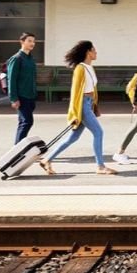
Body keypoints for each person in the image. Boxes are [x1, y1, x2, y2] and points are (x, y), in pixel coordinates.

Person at [40, 40, 116, 175]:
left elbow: (92, 89)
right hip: (82, 105)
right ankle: (100, 166)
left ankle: (47, 159)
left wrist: (94, 105)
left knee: (72, 138)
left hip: (88, 104)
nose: (96, 52)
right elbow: (75, 92)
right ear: (88, 52)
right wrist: (75, 113)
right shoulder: (80, 68)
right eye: (94, 50)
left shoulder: (90, 68)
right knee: (98, 132)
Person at [6, 33, 38, 143]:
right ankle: (18, 150)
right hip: (21, 96)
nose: (32, 43)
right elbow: (11, 79)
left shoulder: (30, 58)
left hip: (31, 96)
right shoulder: (16, 58)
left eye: (33, 41)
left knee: (23, 122)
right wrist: (14, 98)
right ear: (22, 42)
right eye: (29, 41)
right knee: (27, 122)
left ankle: (19, 148)